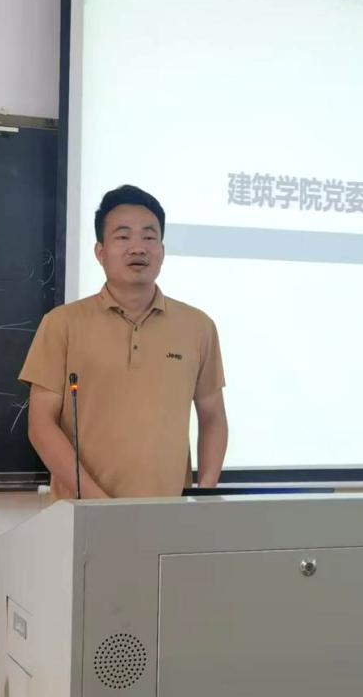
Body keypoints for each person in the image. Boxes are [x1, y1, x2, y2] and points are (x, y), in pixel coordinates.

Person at [19, 185, 228, 499]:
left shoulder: (198, 326)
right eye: (123, 236)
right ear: (100, 252)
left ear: (162, 250)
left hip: (169, 512)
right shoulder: (62, 324)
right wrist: (99, 503)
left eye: (149, 237)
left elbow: (213, 416)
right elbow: (41, 425)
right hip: (82, 513)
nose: (138, 248)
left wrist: (205, 494)